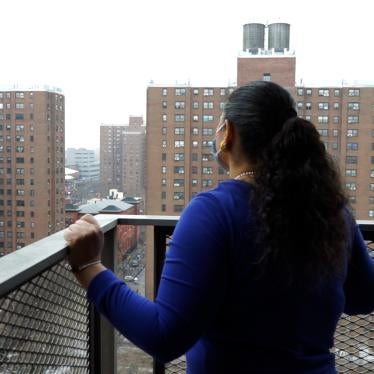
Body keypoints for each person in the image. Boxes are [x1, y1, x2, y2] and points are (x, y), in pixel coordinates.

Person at [64, 81, 374, 373]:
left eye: (218, 126)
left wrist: (90, 267)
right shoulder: (331, 211)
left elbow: (164, 336)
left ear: (229, 133)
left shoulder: (214, 212)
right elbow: (363, 295)